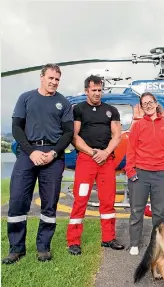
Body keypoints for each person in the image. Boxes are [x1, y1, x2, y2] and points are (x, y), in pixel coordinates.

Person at [2, 64, 74, 264]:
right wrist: (31, 151)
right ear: (41, 77)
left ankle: (43, 247)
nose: (54, 82)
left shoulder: (64, 103)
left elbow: (68, 133)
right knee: (17, 200)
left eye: (57, 79)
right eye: (51, 78)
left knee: (49, 204)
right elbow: (16, 127)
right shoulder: (25, 97)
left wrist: (53, 152)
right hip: (28, 153)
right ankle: (16, 248)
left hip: (53, 155)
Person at [66, 75, 124, 255]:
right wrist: (92, 153)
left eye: (100, 90)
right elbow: (74, 137)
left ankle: (108, 238)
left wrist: (105, 153)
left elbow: (117, 135)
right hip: (86, 160)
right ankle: (73, 241)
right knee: (81, 199)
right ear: (86, 91)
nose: (97, 93)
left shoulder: (111, 110)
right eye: (94, 90)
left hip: (107, 161)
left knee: (108, 200)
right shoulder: (79, 109)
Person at [125, 92, 164, 256]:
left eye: (150, 102)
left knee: (159, 213)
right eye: (144, 104)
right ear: (141, 108)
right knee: (136, 212)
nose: (147, 106)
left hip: (161, 175)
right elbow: (130, 150)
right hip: (140, 175)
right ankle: (134, 243)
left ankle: (157, 244)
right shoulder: (138, 126)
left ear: (156, 104)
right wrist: (130, 171)